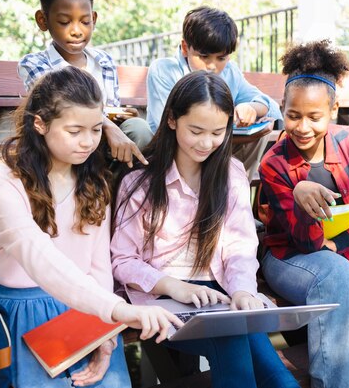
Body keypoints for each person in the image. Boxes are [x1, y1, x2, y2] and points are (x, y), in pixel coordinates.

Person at [0, 66, 182, 388]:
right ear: (40, 123)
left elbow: (99, 266)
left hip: (88, 309)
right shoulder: (3, 181)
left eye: (96, 129)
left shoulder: (94, 182)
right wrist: (115, 310)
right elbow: (39, 257)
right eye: (75, 131)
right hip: (23, 314)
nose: (88, 142)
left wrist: (105, 333)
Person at [111, 70, 298, 388]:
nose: (207, 143)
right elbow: (122, 261)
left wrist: (241, 291)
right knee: (234, 340)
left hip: (219, 295)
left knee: (280, 380)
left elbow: (240, 246)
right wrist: (175, 287)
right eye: (196, 131)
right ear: (172, 120)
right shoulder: (140, 183)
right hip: (163, 301)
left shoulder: (231, 173)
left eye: (217, 132)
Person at [258, 40, 349, 388]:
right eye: (293, 115)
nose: (303, 127)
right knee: (340, 276)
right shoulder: (274, 164)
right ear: (283, 107)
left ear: (334, 110)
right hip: (290, 257)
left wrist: (341, 246)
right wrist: (299, 195)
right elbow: (306, 242)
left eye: (314, 117)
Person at [18, 0, 152, 167]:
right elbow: (63, 108)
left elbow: (110, 114)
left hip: (101, 145)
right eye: (64, 22)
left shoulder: (103, 61)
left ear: (94, 19)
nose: (76, 30)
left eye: (85, 21)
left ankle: (123, 192)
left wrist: (121, 116)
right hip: (63, 146)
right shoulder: (34, 64)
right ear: (43, 20)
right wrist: (106, 123)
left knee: (137, 128)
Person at [146, 6, 282, 179]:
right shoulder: (164, 70)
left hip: (216, 151)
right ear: (185, 48)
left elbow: (271, 107)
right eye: (204, 56)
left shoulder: (230, 71)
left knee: (259, 133)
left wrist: (251, 108)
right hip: (174, 153)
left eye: (221, 58)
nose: (212, 66)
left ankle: (234, 193)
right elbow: (164, 128)